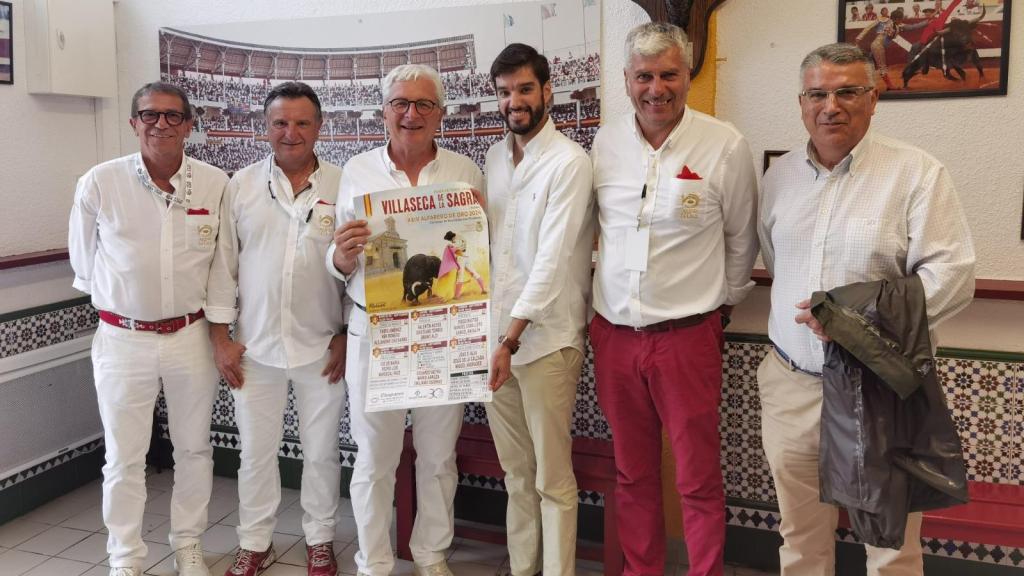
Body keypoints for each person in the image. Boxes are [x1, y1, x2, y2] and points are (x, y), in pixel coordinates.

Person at [757, 42, 975, 576]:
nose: (831, 105)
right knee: (800, 536)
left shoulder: (916, 174)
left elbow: (953, 275)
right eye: (818, 93)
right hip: (792, 382)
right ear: (802, 101)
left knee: (890, 543)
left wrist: (856, 324)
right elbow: (773, 256)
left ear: (873, 98)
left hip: (877, 388)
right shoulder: (778, 177)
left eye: (848, 91)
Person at [589, 22, 759, 576]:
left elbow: (741, 237)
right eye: (644, 76)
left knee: (697, 477)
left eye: (668, 75)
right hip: (614, 335)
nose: (655, 88)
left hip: (687, 337)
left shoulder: (724, 144)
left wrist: (721, 305)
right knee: (633, 474)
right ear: (626, 80)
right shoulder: (606, 142)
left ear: (688, 76)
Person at [327, 64, 485, 576]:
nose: (411, 114)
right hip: (376, 333)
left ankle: (431, 553)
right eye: (400, 103)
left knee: (438, 457)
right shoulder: (357, 171)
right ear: (384, 111)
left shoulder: (465, 173)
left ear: (441, 113)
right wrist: (343, 256)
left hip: (445, 336)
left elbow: (483, 257)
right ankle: (373, 561)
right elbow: (338, 262)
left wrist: (477, 228)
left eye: (423, 105)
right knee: (374, 459)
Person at [69, 82, 228, 576]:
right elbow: (85, 263)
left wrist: (219, 333)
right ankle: (125, 557)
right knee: (123, 457)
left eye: (173, 116)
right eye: (149, 115)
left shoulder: (214, 183)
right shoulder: (100, 182)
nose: (161, 124)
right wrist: (130, 304)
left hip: (190, 338)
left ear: (190, 124)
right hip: (122, 339)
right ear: (134, 122)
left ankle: (188, 546)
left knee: (195, 449)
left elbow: (222, 268)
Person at [206, 81, 347, 576]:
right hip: (255, 347)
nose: (291, 132)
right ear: (265, 128)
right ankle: (255, 542)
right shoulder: (240, 185)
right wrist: (220, 339)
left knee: (322, 453)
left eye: (302, 122)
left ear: (319, 127)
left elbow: (364, 268)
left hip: (323, 346)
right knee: (256, 455)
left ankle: (321, 539)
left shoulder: (344, 185)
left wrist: (348, 334)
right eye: (280, 122)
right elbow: (223, 266)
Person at [484, 43, 594, 576]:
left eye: (525, 89)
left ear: (548, 91)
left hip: (546, 341)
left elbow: (549, 264)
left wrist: (509, 339)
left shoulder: (570, 163)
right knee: (515, 472)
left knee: (553, 478)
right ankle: (523, 567)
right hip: (496, 341)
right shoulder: (494, 159)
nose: (515, 101)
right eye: (505, 92)